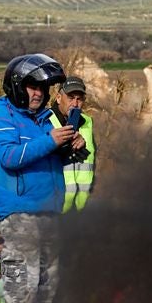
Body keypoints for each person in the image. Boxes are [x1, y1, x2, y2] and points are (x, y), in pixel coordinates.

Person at [0, 53, 86, 303]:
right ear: (17, 85)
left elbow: (49, 155)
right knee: (24, 289)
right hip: (21, 215)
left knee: (47, 287)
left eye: (43, 89)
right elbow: (10, 156)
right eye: (33, 87)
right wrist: (51, 140)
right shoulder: (2, 117)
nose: (39, 94)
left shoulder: (44, 119)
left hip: (51, 212)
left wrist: (72, 145)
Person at [51, 77, 96, 212]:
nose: (75, 104)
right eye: (70, 98)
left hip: (81, 209)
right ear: (59, 98)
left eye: (79, 99)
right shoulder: (46, 120)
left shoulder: (88, 122)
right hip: (55, 207)